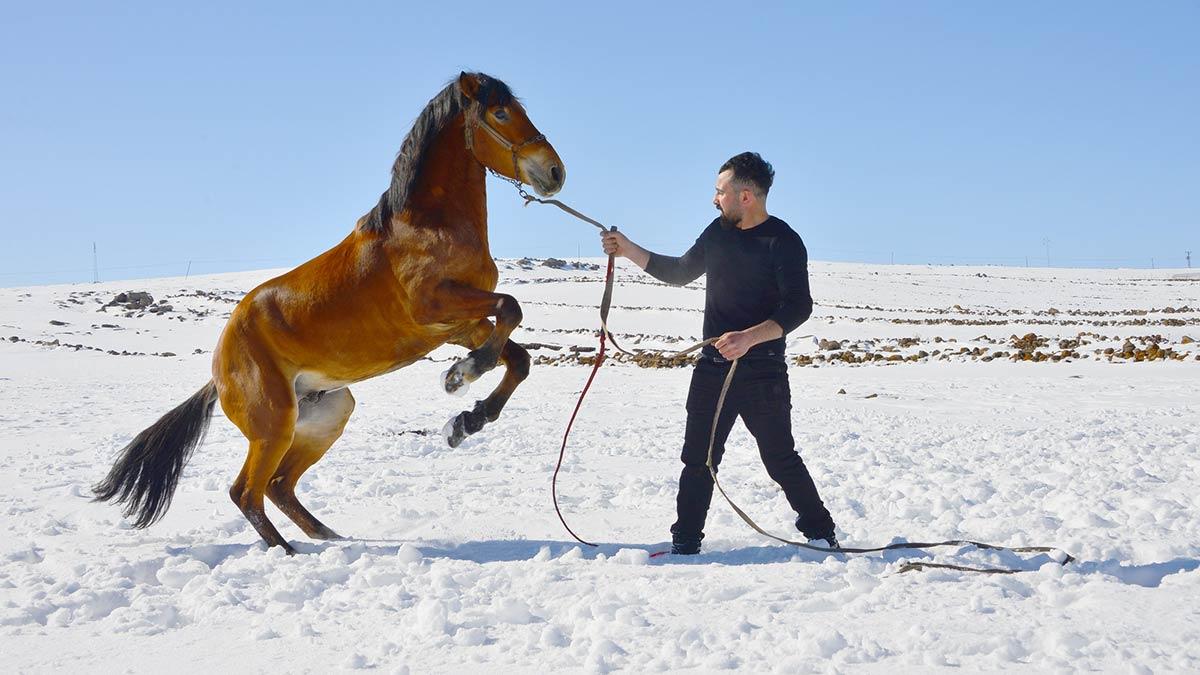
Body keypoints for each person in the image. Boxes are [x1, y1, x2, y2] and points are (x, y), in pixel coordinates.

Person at [600, 151, 838, 555]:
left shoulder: (783, 241)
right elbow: (679, 272)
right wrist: (627, 249)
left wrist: (749, 338)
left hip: (763, 373)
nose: (714, 199)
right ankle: (685, 543)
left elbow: (799, 307)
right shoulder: (717, 233)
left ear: (745, 196)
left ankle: (822, 534)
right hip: (712, 368)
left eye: (720, 191)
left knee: (780, 459)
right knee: (698, 460)